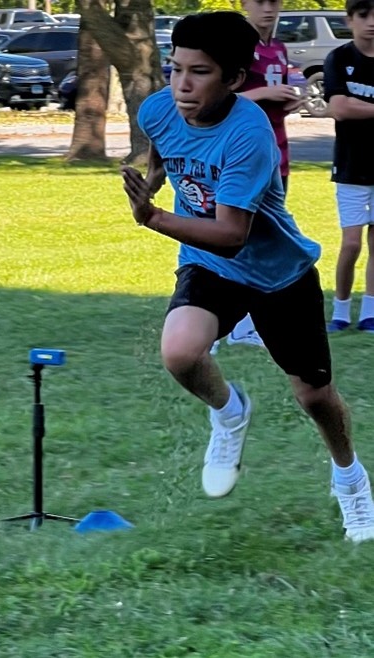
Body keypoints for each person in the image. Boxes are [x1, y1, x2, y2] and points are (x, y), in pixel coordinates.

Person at [121, 11, 374, 543]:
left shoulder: (249, 136)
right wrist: (152, 181)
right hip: (208, 264)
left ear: (235, 80)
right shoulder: (158, 109)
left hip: (276, 272)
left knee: (314, 397)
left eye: (200, 73)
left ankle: (350, 478)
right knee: (180, 353)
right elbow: (166, 152)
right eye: (174, 69)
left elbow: (233, 233)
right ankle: (230, 412)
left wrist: (155, 217)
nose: (182, 86)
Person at [223, 0, 304, 349]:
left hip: (277, 152)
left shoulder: (278, 48)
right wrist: (264, 93)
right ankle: (228, 320)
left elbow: (275, 98)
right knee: (234, 236)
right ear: (244, 4)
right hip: (244, 155)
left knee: (266, 237)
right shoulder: (236, 47)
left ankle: (249, 320)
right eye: (260, 1)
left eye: (275, 1)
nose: (269, 9)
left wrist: (288, 101)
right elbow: (222, 97)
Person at [323, 0, 374, 334]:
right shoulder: (339, 58)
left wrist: (361, 105)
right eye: (364, 15)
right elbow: (338, 107)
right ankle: (340, 310)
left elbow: (351, 105)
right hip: (351, 167)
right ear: (350, 19)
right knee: (352, 244)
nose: (371, 23)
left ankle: (370, 311)